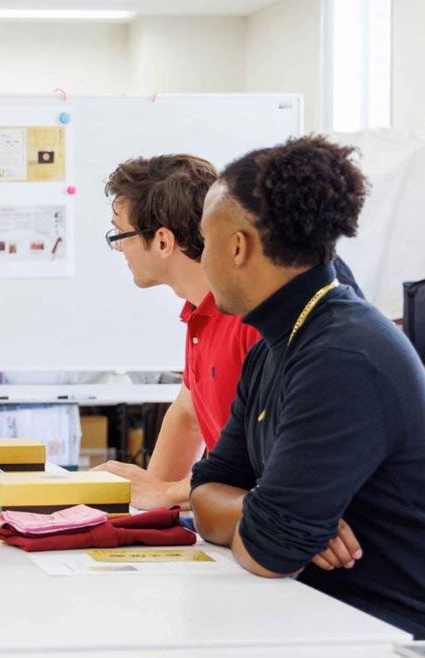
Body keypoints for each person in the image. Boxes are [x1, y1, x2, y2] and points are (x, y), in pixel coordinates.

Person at [191, 136, 425, 638]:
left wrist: (275, 522)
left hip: (392, 641)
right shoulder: (273, 346)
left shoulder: (344, 355)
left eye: (205, 241)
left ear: (238, 247)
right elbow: (205, 492)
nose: (204, 260)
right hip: (316, 617)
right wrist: (267, 512)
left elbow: (269, 553)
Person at [98, 154, 363, 510]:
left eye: (120, 235)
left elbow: (272, 466)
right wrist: (149, 497)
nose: (119, 248)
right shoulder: (198, 311)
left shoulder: (256, 320)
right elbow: (189, 410)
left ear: (162, 241)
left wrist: (166, 493)